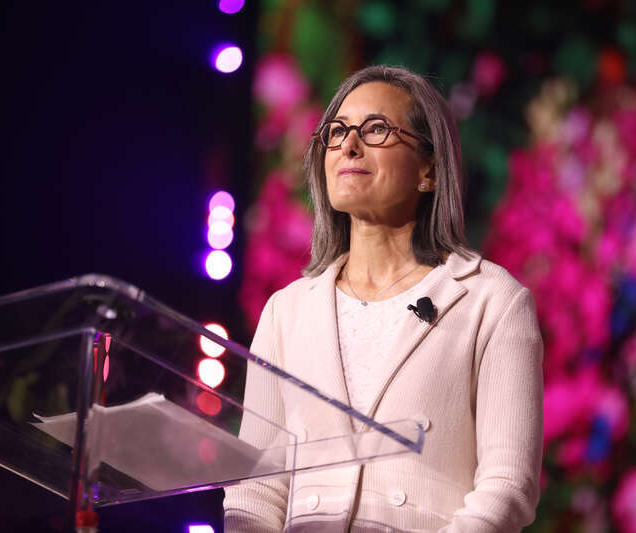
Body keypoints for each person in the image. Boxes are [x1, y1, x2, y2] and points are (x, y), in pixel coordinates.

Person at [224, 65, 543, 532]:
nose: (348, 145)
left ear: (429, 170)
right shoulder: (286, 312)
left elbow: (508, 485)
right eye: (336, 132)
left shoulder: (491, 301)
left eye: (375, 129)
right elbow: (256, 489)